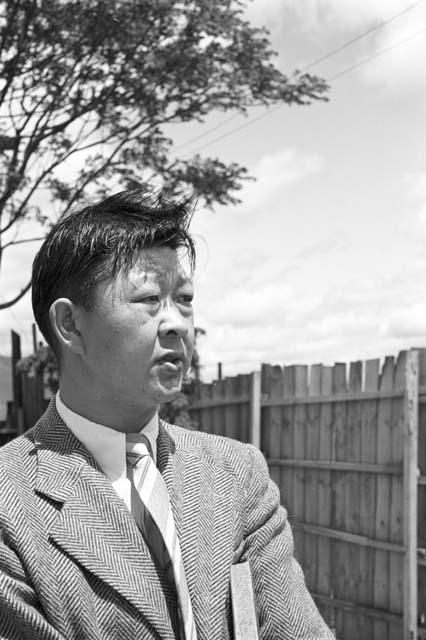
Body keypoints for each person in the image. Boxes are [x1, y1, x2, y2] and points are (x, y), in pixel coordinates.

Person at [0, 188, 334, 640]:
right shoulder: (10, 504)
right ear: (70, 325)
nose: (177, 322)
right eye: (149, 301)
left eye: (185, 299)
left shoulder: (236, 475)